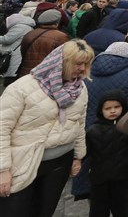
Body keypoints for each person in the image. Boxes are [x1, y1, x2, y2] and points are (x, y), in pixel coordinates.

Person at [0, 40, 94, 217]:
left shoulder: (80, 89)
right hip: (24, 163)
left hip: (60, 163)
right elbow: (1, 128)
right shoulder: (23, 88)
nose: (82, 69)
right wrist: (3, 169)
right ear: (62, 62)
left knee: (45, 211)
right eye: (78, 63)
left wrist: (78, 156)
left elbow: (79, 123)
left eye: (86, 64)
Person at [85, 90, 128, 217]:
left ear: (123, 107)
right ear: (101, 110)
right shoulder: (93, 130)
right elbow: (84, 152)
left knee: (123, 210)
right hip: (99, 180)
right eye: (108, 108)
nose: (112, 111)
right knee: (98, 211)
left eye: (117, 107)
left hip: (123, 178)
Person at [18, 9, 68, 75]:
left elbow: (23, 52)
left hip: (26, 72)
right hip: (46, 73)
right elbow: (64, 56)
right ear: (57, 22)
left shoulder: (30, 33)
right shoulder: (60, 36)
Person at [2, 13, 35, 86]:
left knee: (10, 74)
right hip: (17, 52)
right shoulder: (25, 25)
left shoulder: (20, 27)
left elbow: (7, 39)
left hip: (14, 54)